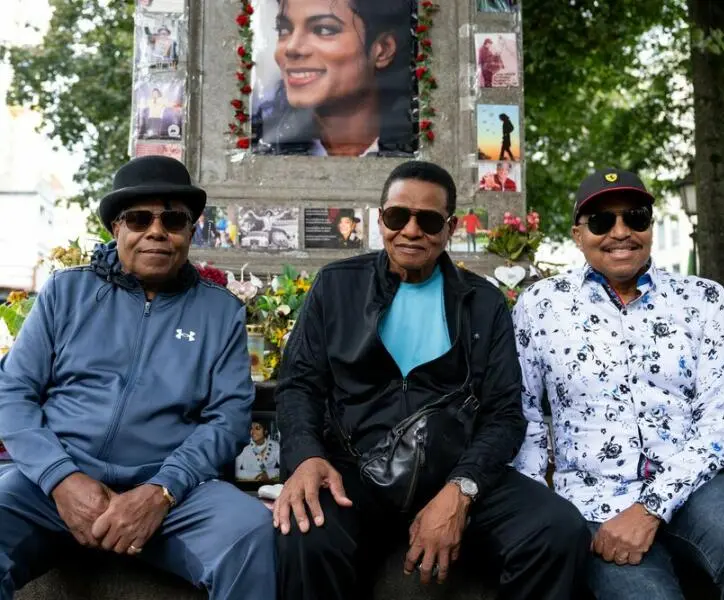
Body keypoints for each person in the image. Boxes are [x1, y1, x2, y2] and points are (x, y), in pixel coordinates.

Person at [274, 160, 589, 600]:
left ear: (450, 227)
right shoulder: (336, 286)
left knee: (557, 531)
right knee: (305, 533)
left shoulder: (482, 302)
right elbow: (299, 386)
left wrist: (461, 491)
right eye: (398, 216)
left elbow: (503, 414)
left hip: (451, 471)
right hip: (353, 472)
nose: (411, 231)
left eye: (428, 220)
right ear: (380, 217)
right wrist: (306, 457)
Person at [512, 167, 724, 600]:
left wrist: (650, 509)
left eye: (636, 217)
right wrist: (537, 510)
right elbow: (525, 412)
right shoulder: (540, 305)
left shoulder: (704, 299)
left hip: (699, 484)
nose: (621, 232)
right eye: (601, 221)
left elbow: (723, 422)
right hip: (596, 496)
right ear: (577, 234)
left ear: (651, 225)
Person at [0, 155, 276, 600]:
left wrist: (161, 491)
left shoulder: (220, 311)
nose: (157, 230)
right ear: (116, 229)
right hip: (51, 487)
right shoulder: (66, 291)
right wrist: (60, 478)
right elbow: (13, 393)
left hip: (171, 496)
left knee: (250, 534)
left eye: (173, 219)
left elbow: (228, 419)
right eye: (139, 218)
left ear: (189, 231)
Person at [252, 0, 415, 157]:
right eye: (284, 30)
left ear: (383, 50)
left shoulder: (417, 146)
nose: (291, 48)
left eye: (323, 30)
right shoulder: (261, 144)